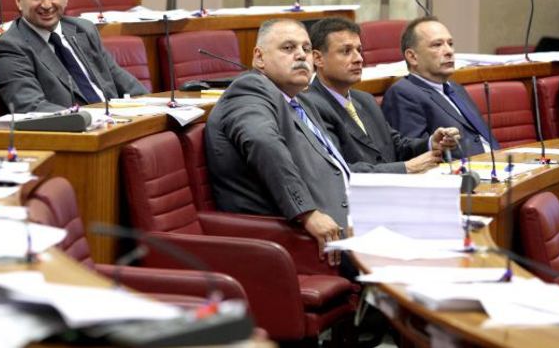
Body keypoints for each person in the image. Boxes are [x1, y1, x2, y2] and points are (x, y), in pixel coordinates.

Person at [205, 19, 349, 266]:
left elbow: (333, 164)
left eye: (306, 48)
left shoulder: (300, 100)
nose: (301, 56)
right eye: (288, 48)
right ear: (259, 58)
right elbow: (263, 142)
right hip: (307, 235)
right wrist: (307, 213)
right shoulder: (250, 90)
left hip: (347, 215)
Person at [301, 17, 459, 173]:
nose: (358, 59)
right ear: (318, 58)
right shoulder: (308, 107)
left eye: (359, 50)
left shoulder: (365, 99)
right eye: (346, 51)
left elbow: (397, 146)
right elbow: (338, 169)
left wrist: (432, 143)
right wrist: (405, 168)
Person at [0, 0, 147, 113]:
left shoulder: (83, 29)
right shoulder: (11, 47)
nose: (46, 4)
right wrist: (93, 119)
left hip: (116, 124)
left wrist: (149, 107)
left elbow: (128, 85)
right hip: (75, 132)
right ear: (19, 0)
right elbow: (31, 108)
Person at [382, 16, 499, 157]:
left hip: (498, 163)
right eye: (437, 45)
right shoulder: (403, 93)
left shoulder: (455, 88)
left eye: (450, 43)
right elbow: (412, 155)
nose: (449, 51)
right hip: (462, 173)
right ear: (412, 57)